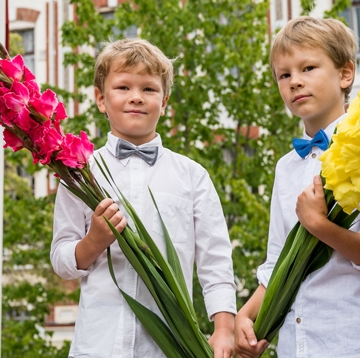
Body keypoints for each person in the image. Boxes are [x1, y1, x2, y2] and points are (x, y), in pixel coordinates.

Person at [234, 16, 360, 358]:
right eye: (284, 75)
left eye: (308, 68)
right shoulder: (286, 167)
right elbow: (277, 263)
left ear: (345, 74)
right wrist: (247, 315)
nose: (295, 82)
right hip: (295, 349)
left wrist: (319, 226)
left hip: (357, 346)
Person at [51, 38, 236, 358]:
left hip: (170, 348)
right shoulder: (79, 173)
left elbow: (215, 262)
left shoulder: (193, 177)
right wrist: (93, 241)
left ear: (164, 102)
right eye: (123, 87)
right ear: (100, 99)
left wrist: (223, 329)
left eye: (149, 89)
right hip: (98, 345)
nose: (136, 97)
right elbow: (61, 260)